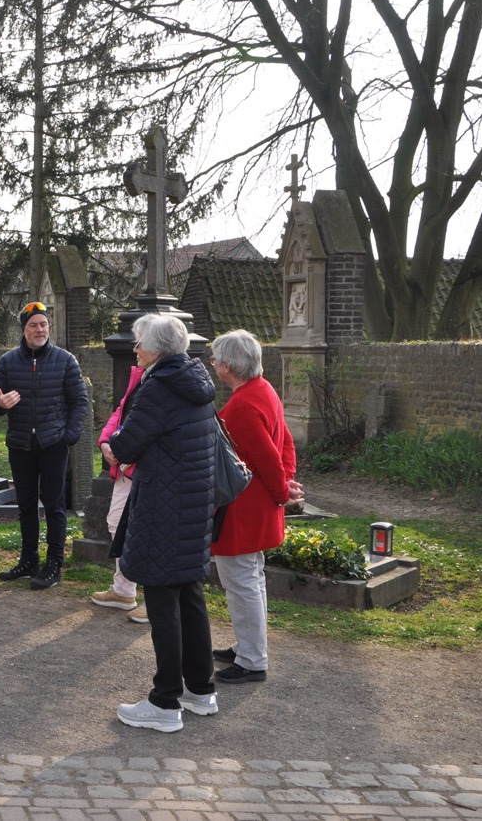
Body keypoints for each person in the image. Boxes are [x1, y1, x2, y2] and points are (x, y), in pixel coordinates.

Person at [107, 314, 219, 733]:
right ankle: (200, 689)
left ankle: (165, 701)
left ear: (156, 348)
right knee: (189, 594)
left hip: (163, 502)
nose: (134, 350)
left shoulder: (158, 386)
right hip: (192, 502)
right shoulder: (196, 380)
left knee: (161, 600)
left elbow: (128, 443)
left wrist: (110, 446)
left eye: (139, 343)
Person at [209, 329, 305, 684]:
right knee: (251, 578)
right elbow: (285, 442)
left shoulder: (240, 407)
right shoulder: (263, 390)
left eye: (217, 359)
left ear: (229, 367)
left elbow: (265, 456)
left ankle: (252, 659)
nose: (214, 364)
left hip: (243, 507)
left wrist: (283, 491)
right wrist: (285, 484)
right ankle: (248, 645)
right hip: (259, 501)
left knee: (241, 580)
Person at [0, 302, 88, 589]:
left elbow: (80, 401)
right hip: (20, 444)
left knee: (54, 506)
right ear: (24, 329)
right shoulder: (8, 361)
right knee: (27, 504)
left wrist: (70, 435)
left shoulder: (65, 360)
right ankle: (29, 559)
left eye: (43, 324)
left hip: (53, 442)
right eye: (33, 325)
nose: (39, 329)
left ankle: (54, 562)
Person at [91, 363, 150, 623]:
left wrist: (122, 446)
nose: (135, 350)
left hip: (147, 470)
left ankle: (155, 600)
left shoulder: (163, 378)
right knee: (116, 524)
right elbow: (121, 412)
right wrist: (105, 442)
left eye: (141, 344)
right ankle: (124, 591)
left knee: (148, 533)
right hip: (125, 468)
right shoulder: (139, 374)